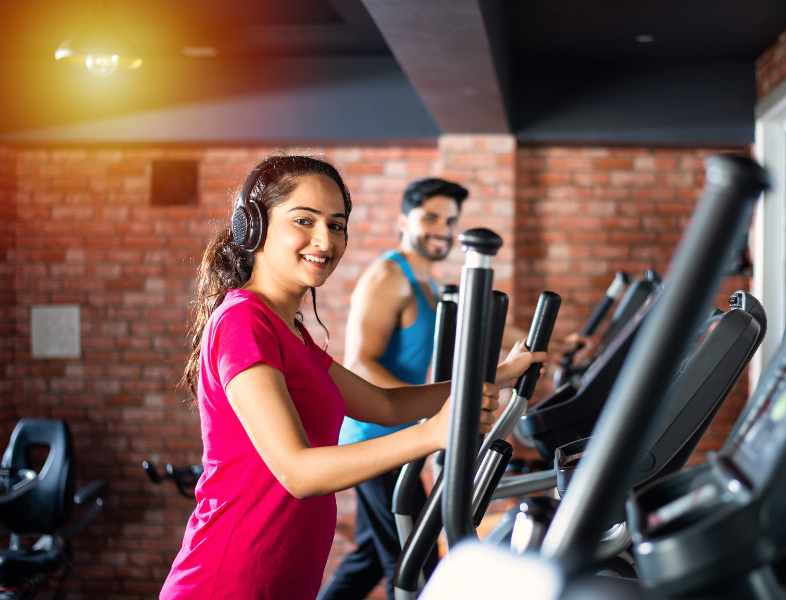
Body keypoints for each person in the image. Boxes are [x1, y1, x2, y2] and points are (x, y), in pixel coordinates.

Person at [159, 156, 543, 600]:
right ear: (254, 227)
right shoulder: (244, 322)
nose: (324, 240)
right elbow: (298, 471)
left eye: (337, 225)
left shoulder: (289, 329)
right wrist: (436, 433)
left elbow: (385, 404)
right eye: (304, 220)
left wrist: (499, 375)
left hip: (283, 575)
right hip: (229, 578)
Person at [319, 178, 467, 600]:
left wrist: (552, 345)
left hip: (400, 436)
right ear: (404, 220)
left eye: (450, 221)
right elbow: (361, 362)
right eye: (431, 217)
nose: (443, 228)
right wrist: (429, 410)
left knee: (369, 558)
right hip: (375, 437)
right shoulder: (389, 276)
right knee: (415, 567)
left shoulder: (429, 284)